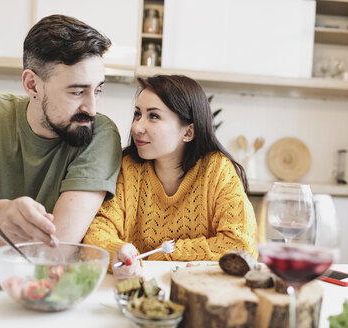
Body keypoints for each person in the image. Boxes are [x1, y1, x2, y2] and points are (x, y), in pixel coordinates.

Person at [0, 14, 122, 257]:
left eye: (98, 90)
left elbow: (57, 248)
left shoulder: (100, 133)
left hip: (45, 285)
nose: (92, 108)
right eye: (78, 91)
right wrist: (0, 213)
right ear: (32, 85)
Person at [83, 75, 257, 280]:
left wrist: (167, 253)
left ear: (188, 132)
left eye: (154, 116)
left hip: (199, 289)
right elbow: (95, 234)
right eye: (138, 114)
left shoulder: (217, 170)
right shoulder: (127, 168)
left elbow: (241, 246)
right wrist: (117, 251)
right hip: (136, 287)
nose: (136, 127)